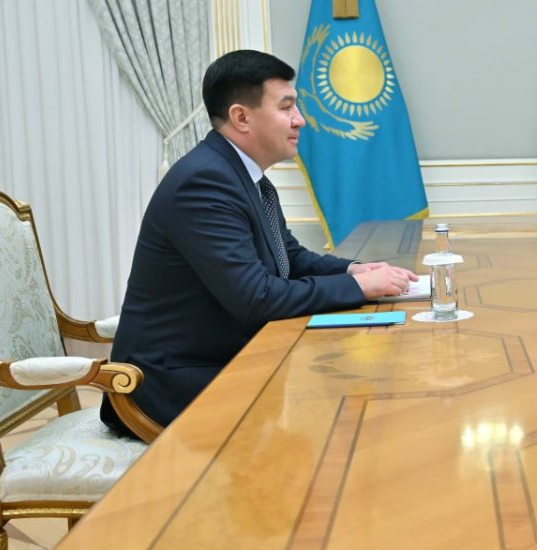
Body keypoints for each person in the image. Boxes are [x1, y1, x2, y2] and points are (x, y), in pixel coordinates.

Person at [101, 50, 416, 433]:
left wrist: (355, 271)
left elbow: (288, 258)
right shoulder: (203, 183)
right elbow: (256, 297)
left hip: (224, 360)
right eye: (286, 107)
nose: (300, 119)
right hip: (173, 383)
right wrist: (358, 288)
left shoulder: (241, 176)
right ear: (241, 117)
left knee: (348, 397)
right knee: (340, 411)